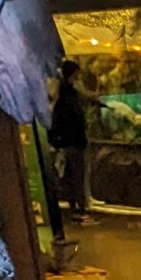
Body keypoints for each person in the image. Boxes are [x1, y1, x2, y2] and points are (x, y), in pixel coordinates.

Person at [48, 58, 93, 222]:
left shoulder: (64, 97)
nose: (79, 80)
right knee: (76, 176)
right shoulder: (68, 99)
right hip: (73, 142)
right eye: (77, 76)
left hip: (69, 142)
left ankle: (75, 208)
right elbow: (69, 120)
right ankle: (80, 210)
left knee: (71, 177)